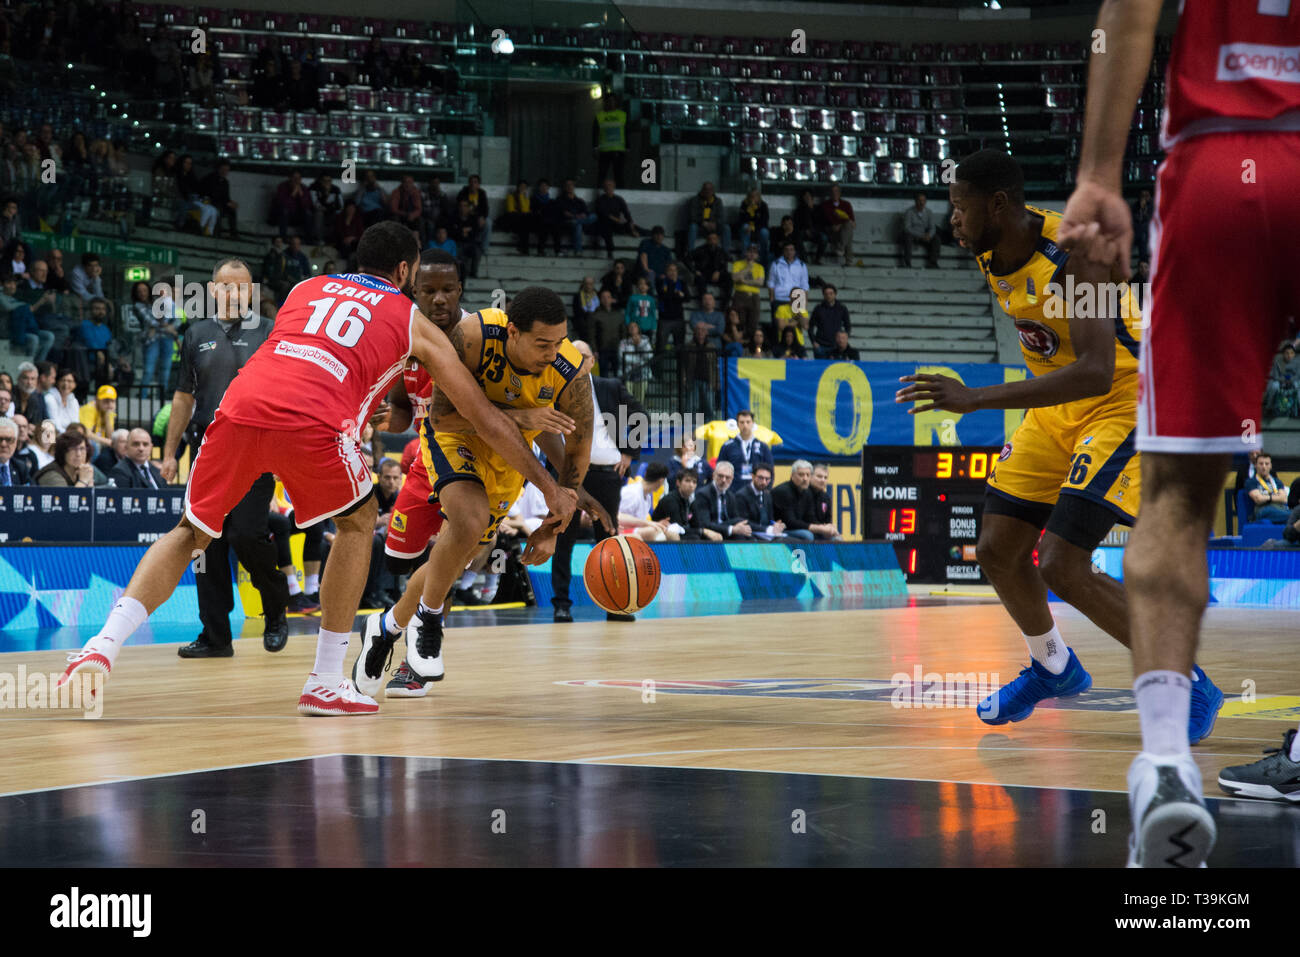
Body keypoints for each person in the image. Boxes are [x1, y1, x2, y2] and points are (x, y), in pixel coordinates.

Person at [62, 223, 576, 716]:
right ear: (404, 270)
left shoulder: (305, 286)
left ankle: (102, 645)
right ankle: (326, 680)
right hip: (314, 421)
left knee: (189, 533)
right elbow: (484, 418)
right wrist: (550, 487)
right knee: (356, 523)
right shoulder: (411, 320)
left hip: (239, 408)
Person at [898, 148, 1222, 823]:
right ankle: (1052, 665)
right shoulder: (990, 247)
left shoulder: (1082, 258)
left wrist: (976, 398)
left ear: (998, 205)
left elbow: (1098, 371)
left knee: (1062, 563)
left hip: (1123, 402)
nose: (951, 221)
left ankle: (1187, 680)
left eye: (960, 208)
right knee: (996, 549)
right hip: (1056, 411)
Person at [1053, 0, 1300, 868]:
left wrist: (1097, 175)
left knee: (1177, 497)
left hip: (1221, 154)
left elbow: (1130, 9)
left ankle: (1165, 761)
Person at [348, 285, 588, 697]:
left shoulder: (570, 369)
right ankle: (429, 618)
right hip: (453, 436)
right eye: (542, 343)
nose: (552, 352)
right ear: (513, 332)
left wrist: (552, 525)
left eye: (559, 342)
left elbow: (577, 449)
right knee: (468, 520)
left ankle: (386, 626)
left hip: (508, 459)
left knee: (457, 556)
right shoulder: (474, 337)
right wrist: (524, 416)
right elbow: (443, 416)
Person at [161, 258, 292, 657]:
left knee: (245, 534)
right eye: (226, 286)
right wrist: (169, 452)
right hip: (206, 450)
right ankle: (215, 636)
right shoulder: (196, 333)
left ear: (251, 291)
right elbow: (184, 398)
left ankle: (275, 609)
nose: (234, 293)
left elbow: (288, 391)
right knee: (205, 542)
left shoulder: (271, 332)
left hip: (254, 448)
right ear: (213, 290)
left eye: (242, 287)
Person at [370, 249, 465, 697]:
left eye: (448, 289)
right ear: (414, 290)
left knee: (452, 555)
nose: (439, 299)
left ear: (461, 290)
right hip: (424, 466)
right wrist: (384, 420)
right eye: (429, 291)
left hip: (471, 467)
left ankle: (417, 653)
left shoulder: (477, 339)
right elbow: (406, 409)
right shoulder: (404, 336)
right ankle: (390, 625)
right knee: (402, 562)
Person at [551, 339, 641, 623]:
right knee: (564, 537)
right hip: (567, 472)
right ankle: (562, 604)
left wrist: (628, 452)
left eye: (583, 356)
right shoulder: (554, 386)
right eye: (572, 356)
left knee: (608, 539)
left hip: (605, 473)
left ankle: (614, 604)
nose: (578, 360)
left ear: (592, 361)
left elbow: (639, 414)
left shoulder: (609, 386)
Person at [619, 461, 675, 542]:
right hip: (620, 532)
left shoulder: (648, 496)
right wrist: (648, 524)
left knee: (671, 533)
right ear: (661, 481)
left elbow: (639, 522)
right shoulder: (631, 493)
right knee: (655, 532)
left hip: (635, 530)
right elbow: (619, 518)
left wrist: (656, 524)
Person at [695, 460, 750, 540]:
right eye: (720, 476)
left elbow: (735, 519)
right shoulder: (702, 494)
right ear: (713, 475)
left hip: (726, 532)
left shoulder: (731, 496)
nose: (724, 480)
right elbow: (705, 524)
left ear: (732, 479)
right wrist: (731, 529)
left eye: (728, 477)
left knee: (747, 536)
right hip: (709, 533)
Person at [716, 410, 775, 484]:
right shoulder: (727, 446)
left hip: (756, 489)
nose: (745, 425)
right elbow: (719, 469)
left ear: (753, 424)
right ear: (737, 424)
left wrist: (767, 490)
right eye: (742, 422)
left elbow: (770, 471)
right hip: (733, 491)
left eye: (748, 422)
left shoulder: (763, 447)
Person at [652, 468, 709, 541]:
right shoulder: (670, 500)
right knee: (692, 537)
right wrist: (701, 531)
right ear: (678, 483)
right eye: (687, 481)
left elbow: (696, 525)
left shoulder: (691, 500)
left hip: (682, 532)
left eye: (694, 482)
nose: (691, 485)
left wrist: (700, 531)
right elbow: (678, 527)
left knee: (705, 537)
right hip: (661, 532)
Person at [733, 462, 785, 540]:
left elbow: (770, 518)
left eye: (767, 479)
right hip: (751, 534)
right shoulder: (741, 495)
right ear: (752, 476)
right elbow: (744, 522)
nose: (764, 482)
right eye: (761, 478)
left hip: (767, 534)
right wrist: (767, 529)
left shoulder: (767, 495)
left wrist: (775, 524)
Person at [593, 179, 638, 258]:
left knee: (631, 225)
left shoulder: (618, 199)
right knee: (606, 228)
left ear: (614, 187)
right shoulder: (600, 200)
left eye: (610, 185)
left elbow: (626, 213)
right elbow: (604, 213)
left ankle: (646, 233)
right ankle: (610, 252)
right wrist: (617, 220)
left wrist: (631, 224)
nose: (608, 188)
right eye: (606, 186)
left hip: (617, 224)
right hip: (604, 224)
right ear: (604, 188)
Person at [729, 244, 765, 339]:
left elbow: (760, 282)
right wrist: (748, 268)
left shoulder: (760, 267)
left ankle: (749, 342)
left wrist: (744, 280)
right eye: (750, 252)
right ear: (746, 253)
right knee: (739, 321)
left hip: (754, 296)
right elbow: (735, 278)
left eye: (754, 252)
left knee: (753, 322)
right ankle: (738, 340)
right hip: (740, 295)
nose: (752, 254)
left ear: (757, 255)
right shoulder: (738, 264)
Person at [593, 94, 628, 186]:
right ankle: (600, 193)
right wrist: (595, 148)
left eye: (613, 101)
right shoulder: (600, 116)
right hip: (604, 150)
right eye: (609, 101)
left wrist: (628, 147)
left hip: (618, 150)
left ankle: (622, 194)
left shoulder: (622, 115)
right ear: (605, 103)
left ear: (616, 102)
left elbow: (627, 132)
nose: (611, 103)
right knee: (602, 174)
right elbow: (595, 133)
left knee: (619, 174)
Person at [1243, 452, 1289, 523]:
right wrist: (1276, 497)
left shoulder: (1277, 481)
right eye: (1261, 464)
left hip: (1280, 508)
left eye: (1267, 464)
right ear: (1255, 465)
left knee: (1296, 512)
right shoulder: (1251, 481)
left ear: (1270, 466)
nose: (1264, 466)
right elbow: (1258, 499)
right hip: (1263, 510)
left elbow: (1284, 499)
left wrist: (1266, 497)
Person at [900, 192, 942, 268]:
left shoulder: (929, 212)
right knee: (907, 237)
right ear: (915, 201)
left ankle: (933, 263)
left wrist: (929, 235)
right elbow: (907, 228)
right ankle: (907, 262)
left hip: (925, 236)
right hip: (914, 235)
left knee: (936, 239)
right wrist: (921, 235)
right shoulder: (909, 212)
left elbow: (932, 227)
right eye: (919, 200)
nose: (921, 203)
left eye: (923, 201)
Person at [690, 230, 732, 303]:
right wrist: (694, 271)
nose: (712, 241)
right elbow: (686, 259)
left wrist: (719, 272)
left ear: (717, 240)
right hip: (703, 274)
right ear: (707, 240)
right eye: (710, 239)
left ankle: (725, 305)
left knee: (729, 278)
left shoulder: (721, 251)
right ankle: (704, 303)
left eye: (714, 239)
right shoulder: (700, 250)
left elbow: (729, 263)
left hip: (717, 275)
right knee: (699, 279)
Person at [810, 285, 851, 359]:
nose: (828, 296)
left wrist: (843, 340)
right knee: (820, 369)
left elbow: (848, 326)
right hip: (820, 346)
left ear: (835, 294)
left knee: (835, 369)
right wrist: (813, 342)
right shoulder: (818, 308)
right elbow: (810, 326)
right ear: (823, 295)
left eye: (831, 293)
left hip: (836, 346)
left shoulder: (842, 308)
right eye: (826, 294)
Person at [590, 290, 624, 375]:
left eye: (608, 297)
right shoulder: (596, 315)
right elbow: (592, 334)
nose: (606, 299)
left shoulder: (618, 314)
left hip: (617, 348)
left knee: (618, 373)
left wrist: (623, 347)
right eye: (603, 297)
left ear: (612, 299)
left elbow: (623, 332)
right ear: (600, 300)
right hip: (602, 349)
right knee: (603, 374)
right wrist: (594, 349)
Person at [686, 181, 725, 255]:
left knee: (726, 228)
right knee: (692, 227)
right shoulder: (695, 200)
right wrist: (702, 222)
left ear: (713, 191)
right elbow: (692, 216)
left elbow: (721, 216)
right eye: (706, 189)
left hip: (714, 227)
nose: (708, 192)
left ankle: (725, 254)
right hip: (700, 226)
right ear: (702, 190)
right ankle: (690, 253)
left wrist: (715, 223)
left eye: (710, 189)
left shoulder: (717, 201)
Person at [619, 321, 653, 401]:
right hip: (628, 374)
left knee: (640, 400)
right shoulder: (623, 342)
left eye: (634, 326)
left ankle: (638, 413)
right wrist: (638, 361)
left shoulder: (645, 341)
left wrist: (639, 344)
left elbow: (649, 356)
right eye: (630, 327)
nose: (632, 328)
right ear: (628, 330)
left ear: (638, 329)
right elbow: (622, 357)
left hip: (642, 374)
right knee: (628, 399)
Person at [79, 384, 116, 450]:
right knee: (94, 446)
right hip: (84, 443)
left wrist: (107, 416)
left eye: (112, 401)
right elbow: (86, 433)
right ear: (97, 400)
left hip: (99, 444)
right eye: (106, 401)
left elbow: (110, 436)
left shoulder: (108, 411)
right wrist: (108, 442)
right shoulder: (89, 409)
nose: (110, 404)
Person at [624, 276, 659, 346]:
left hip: (648, 327)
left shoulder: (651, 299)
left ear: (648, 287)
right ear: (637, 286)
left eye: (645, 284)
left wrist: (654, 327)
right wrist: (628, 324)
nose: (643, 286)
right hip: (635, 328)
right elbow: (627, 312)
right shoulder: (632, 298)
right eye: (640, 284)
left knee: (646, 347)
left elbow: (653, 314)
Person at [809, 463, 839, 539]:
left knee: (837, 538)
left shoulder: (826, 497)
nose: (823, 480)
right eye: (819, 476)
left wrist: (831, 527)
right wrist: (824, 528)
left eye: (825, 478)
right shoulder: (804, 494)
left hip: (822, 531)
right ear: (810, 477)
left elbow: (828, 520)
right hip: (809, 530)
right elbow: (808, 520)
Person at [0, 417, 31, 486]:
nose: (3, 444)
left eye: (9, 439)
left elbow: (32, 494)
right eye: (0, 439)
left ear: (16, 443)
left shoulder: (20, 467)